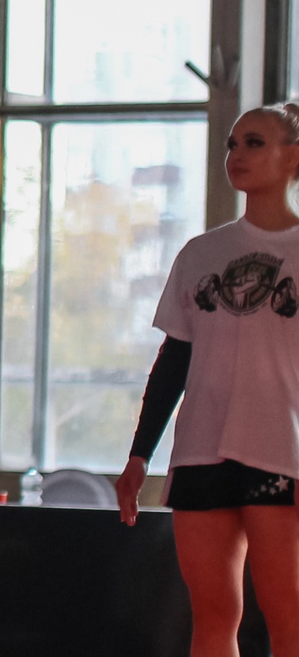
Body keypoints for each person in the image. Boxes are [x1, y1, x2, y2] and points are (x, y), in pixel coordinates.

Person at [120, 103, 299, 657]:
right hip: (200, 452)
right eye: (232, 143)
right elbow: (174, 361)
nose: (237, 154)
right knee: (213, 615)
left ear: (293, 158)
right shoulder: (201, 253)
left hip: (280, 453)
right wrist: (139, 456)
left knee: (289, 613)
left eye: (255, 143)